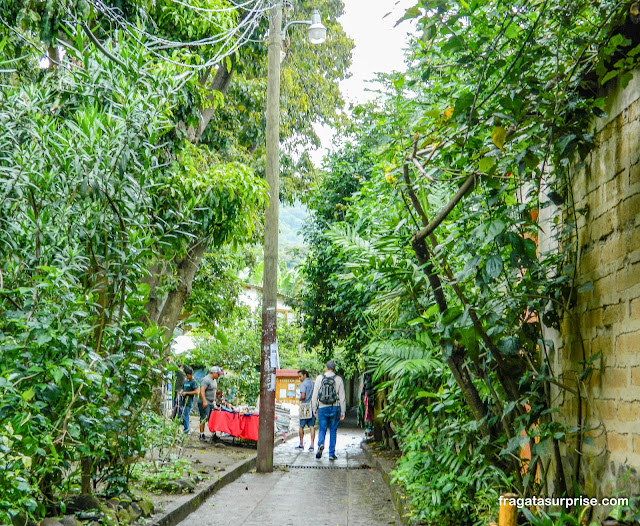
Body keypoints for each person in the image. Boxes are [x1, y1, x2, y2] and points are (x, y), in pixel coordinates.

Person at [312, 360, 345, 460]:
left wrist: (314, 408)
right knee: (333, 430)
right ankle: (331, 454)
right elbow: (342, 397)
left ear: (326, 368)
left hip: (322, 407)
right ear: (334, 369)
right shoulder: (338, 379)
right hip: (335, 407)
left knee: (322, 429)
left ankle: (321, 444)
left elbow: (315, 395)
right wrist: (343, 411)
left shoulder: (319, 378)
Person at [198, 366, 223, 442]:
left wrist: (216, 401)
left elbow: (213, 391)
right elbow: (202, 390)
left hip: (211, 403)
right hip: (205, 402)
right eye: (218, 374)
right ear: (214, 373)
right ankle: (201, 434)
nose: (219, 376)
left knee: (212, 418)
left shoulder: (214, 380)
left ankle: (213, 434)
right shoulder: (206, 380)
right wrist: (204, 401)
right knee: (204, 418)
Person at [296, 369, 316, 451]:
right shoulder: (313, 383)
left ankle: (301, 444)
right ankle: (312, 445)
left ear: (305, 375)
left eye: (300, 376)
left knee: (301, 426)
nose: (299, 378)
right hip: (312, 406)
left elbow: (303, 396)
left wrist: (300, 398)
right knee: (311, 426)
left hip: (304, 407)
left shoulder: (303, 384)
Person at [178, 366, 199, 434]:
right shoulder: (186, 381)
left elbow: (196, 392)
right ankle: (186, 428)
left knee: (186, 415)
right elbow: (182, 388)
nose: (186, 376)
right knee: (182, 415)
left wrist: (187, 393)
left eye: (187, 375)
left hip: (188, 401)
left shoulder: (194, 382)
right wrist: (181, 391)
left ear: (191, 375)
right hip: (183, 401)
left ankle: (186, 430)